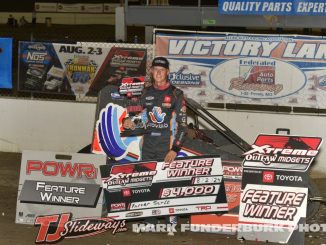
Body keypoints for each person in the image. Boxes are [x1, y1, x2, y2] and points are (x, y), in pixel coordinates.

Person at [123, 57, 187, 234]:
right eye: (155, 69)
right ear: (151, 71)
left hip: (166, 146)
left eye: (162, 69)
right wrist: (130, 122)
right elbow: (140, 117)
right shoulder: (146, 92)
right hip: (148, 144)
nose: (158, 73)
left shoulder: (176, 94)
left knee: (166, 184)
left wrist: (175, 149)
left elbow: (183, 126)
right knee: (147, 183)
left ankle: (171, 221)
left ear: (167, 72)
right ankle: (150, 220)